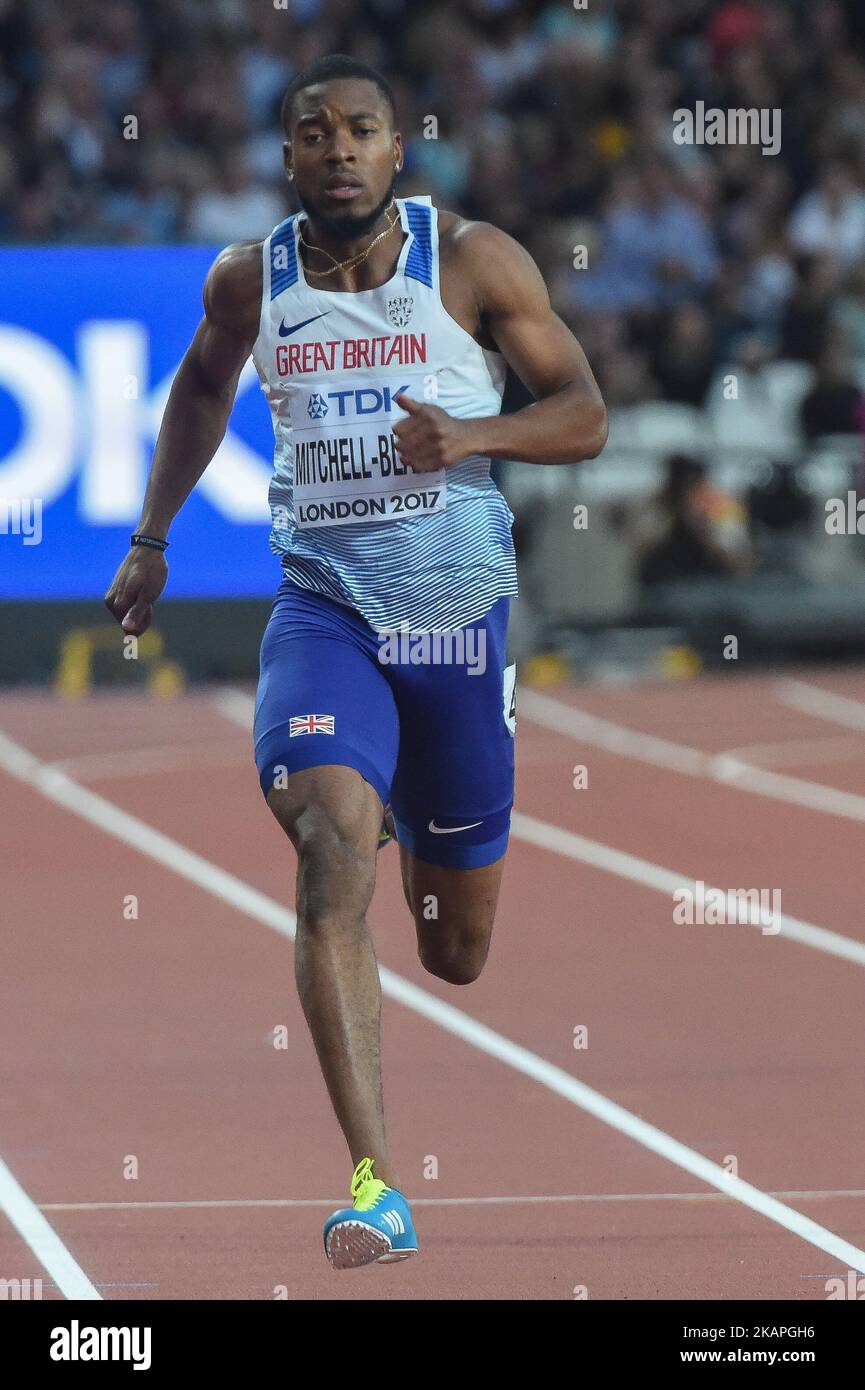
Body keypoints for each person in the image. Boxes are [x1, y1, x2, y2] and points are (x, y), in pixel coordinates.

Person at [104, 53, 607, 1269]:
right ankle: (378, 1182)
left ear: (398, 148)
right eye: (314, 131)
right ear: (286, 157)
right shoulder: (248, 281)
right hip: (322, 609)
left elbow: (585, 410)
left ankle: (402, 799)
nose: (337, 148)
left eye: (361, 129)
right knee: (330, 851)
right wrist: (152, 536)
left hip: (453, 622)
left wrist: (475, 432)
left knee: (453, 950)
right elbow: (201, 388)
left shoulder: (475, 261)